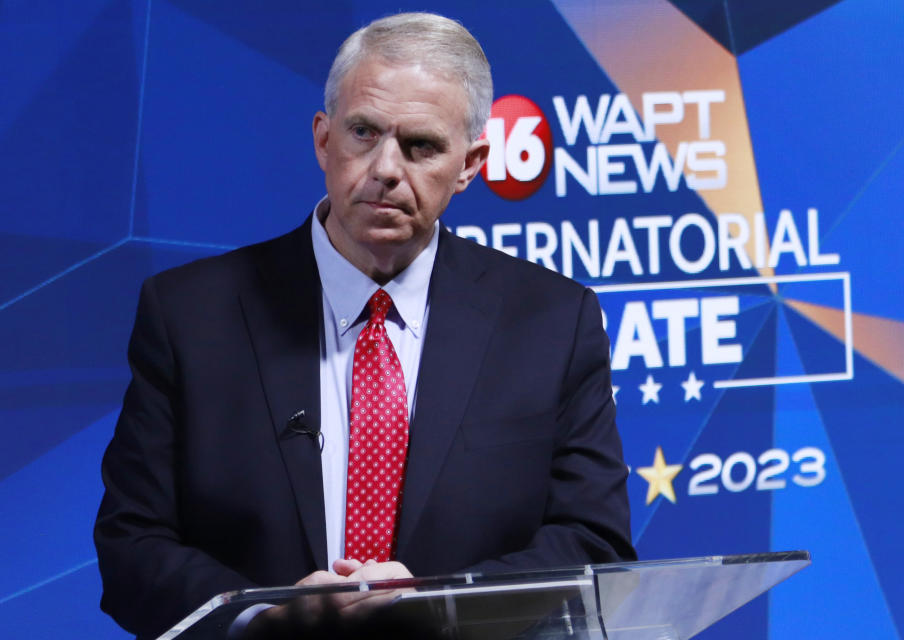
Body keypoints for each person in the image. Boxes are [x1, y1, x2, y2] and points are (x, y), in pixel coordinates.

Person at [94, 12, 635, 639]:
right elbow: (131, 544)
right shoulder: (189, 315)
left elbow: (593, 543)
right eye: (363, 133)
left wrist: (440, 608)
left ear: (470, 164)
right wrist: (264, 618)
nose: (385, 167)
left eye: (421, 146)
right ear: (323, 140)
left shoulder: (552, 320)